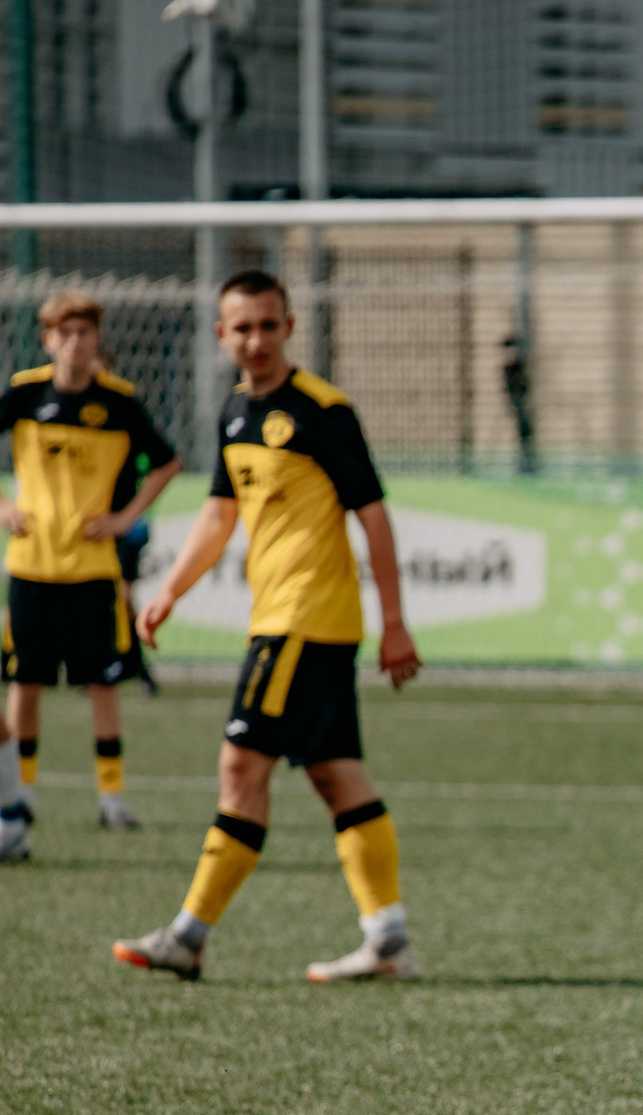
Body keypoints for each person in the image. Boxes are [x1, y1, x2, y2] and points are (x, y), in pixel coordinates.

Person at [110, 269, 423, 983]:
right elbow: (221, 514)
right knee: (336, 774)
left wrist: (396, 624)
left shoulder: (323, 412)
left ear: (288, 328)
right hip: (288, 621)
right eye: (241, 328)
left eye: (268, 325)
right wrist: (169, 592)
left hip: (301, 622)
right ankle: (389, 938)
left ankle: (188, 935)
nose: (255, 340)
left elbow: (372, 515)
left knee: (239, 766)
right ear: (221, 335)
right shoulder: (233, 415)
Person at [0, 291, 184, 853]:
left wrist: (126, 518)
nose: (77, 343)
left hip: (92, 571)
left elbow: (168, 461)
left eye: (86, 333)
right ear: (49, 338)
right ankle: (21, 794)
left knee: (102, 683)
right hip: (31, 566)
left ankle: (111, 796)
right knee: (24, 682)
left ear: (97, 340)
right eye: (66, 333)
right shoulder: (26, 392)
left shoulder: (120, 402)